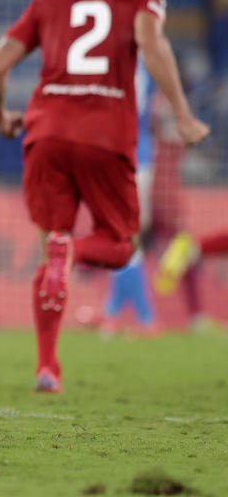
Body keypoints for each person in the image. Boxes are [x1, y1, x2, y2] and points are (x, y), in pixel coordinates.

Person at [0, 0, 209, 393]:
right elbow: (152, 45)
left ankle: (47, 366)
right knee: (123, 244)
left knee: (51, 251)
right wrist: (185, 117)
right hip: (104, 134)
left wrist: (2, 116)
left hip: (45, 133)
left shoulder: (48, 0)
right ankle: (78, 254)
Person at [101, 59, 158, 337]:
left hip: (126, 153)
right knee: (125, 233)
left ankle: (118, 312)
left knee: (125, 234)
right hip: (133, 153)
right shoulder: (143, 54)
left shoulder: (118, 57)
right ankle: (137, 316)